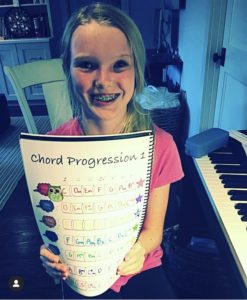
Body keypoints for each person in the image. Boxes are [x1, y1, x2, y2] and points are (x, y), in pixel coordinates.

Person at [40, 3, 184, 299]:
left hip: (141, 268)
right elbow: (52, 226)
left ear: (137, 69)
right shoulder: (51, 150)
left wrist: (140, 250)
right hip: (82, 275)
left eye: (119, 64)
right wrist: (50, 254)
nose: (103, 80)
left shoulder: (162, 146)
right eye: (87, 64)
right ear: (67, 68)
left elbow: (154, 232)